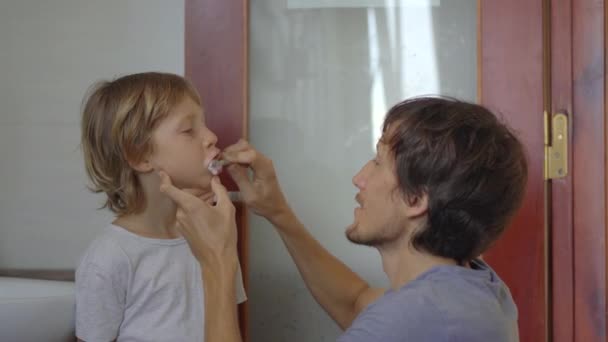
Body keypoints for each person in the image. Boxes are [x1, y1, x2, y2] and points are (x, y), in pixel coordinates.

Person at [161, 96, 527, 342]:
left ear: (416, 199)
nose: (360, 177)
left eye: (379, 161)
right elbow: (357, 303)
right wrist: (278, 213)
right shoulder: (473, 287)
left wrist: (216, 261)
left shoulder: (412, 319)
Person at [75, 72, 247, 342]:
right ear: (139, 155)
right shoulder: (109, 258)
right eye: (189, 130)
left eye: (205, 124)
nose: (212, 136)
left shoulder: (213, 235)